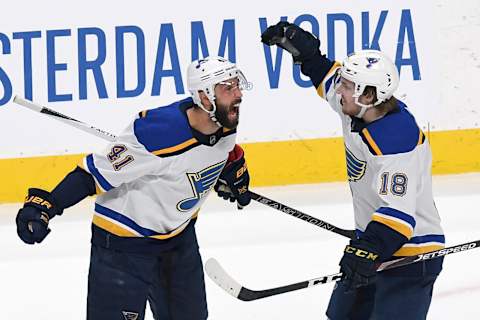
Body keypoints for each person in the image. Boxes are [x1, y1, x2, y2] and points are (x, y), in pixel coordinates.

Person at [15, 56, 252, 320]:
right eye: (227, 88)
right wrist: (48, 205)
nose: (238, 94)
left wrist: (232, 167)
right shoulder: (157, 133)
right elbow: (91, 174)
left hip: (178, 240)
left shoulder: (226, 120)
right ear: (204, 97)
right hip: (123, 247)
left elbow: (218, 150)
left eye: (236, 85)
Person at [261, 22, 444, 320]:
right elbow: (325, 74)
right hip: (373, 244)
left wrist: (367, 248)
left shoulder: (396, 138)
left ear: (369, 95)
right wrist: (308, 55)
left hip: (410, 257)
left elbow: (399, 216)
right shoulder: (357, 106)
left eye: (346, 85)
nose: (339, 89)